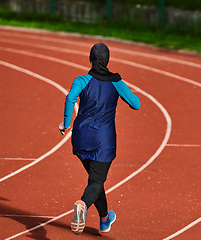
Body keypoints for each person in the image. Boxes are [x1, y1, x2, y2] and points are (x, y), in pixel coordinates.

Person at [59, 42, 141, 234]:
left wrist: (65, 122)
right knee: (96, 181)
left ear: (90, 59)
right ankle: (83, 204)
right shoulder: (116, 82)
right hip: (103, 141)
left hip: (80, 137)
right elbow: (136, 104)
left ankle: (104, 219)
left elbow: (70, 98)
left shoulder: (81, 80)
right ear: (108, 60)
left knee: (96, 179)